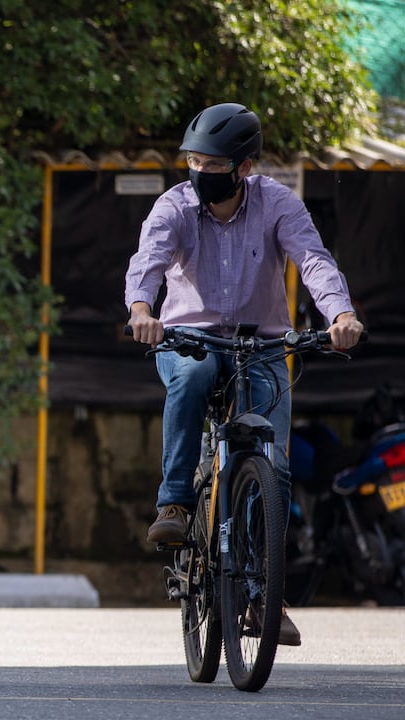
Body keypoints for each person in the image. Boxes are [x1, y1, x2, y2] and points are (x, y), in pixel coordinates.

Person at [124, 102, 363, 645]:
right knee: (189, 379)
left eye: (213, 164)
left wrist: (341, 315)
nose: (201, 173)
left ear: (244, 168)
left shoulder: (278, 204)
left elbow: (315, 262)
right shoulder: (174, 206)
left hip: (262, 346)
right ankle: (176, 502)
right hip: (190, 338)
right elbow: (149, 261)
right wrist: (142, 310)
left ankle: (265, 599)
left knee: (272, 461)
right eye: (194, 162)